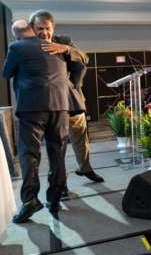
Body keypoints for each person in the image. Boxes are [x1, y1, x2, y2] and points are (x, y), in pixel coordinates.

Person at [3, 21, 85, 223]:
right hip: (61, 105)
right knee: (58, 152)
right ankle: (55, 198)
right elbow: (82, 64)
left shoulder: (17, 46)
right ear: (32, 30)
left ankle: (30, 200)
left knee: (29, 152)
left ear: (16, 36)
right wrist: (71, 87)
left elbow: (6, 73)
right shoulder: (56, 47)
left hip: (32, 106)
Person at [29, 11, 105, 189]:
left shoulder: (63, 40)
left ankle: (85, 168)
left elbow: (84, 59)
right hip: (50, 103)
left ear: (53, 27)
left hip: (72, 99)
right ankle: (59, 182)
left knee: (80, 136)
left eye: (47, 28)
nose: (44, 33)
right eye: (39, 29)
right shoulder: (28, 45)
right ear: (32, 28)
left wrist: (66, 49)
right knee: (56, 144)